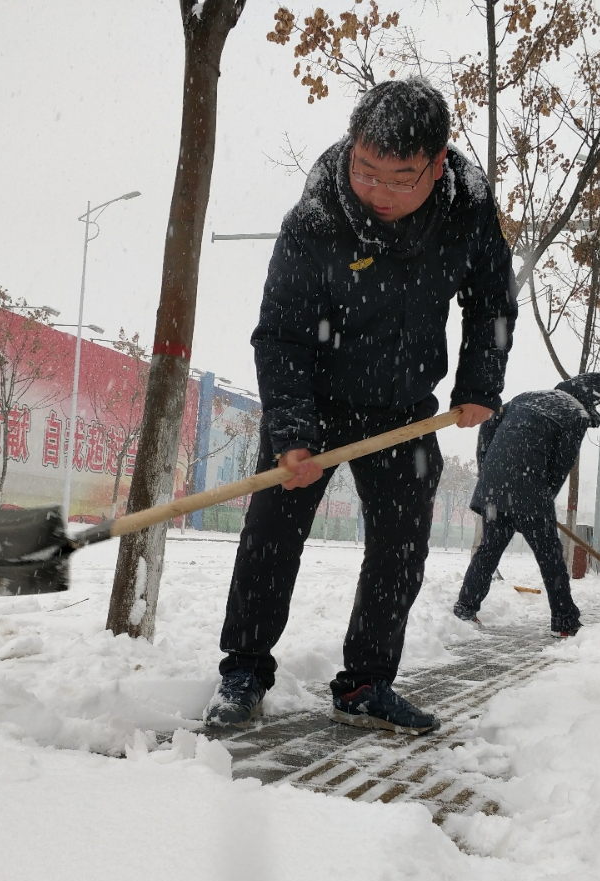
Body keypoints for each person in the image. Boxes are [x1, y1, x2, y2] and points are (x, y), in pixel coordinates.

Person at [203, 77, 518, 735]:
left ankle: (367, 683)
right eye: (366, 170)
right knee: (271, 534)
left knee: (401, 546)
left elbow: (491, 298)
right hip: (315, 397)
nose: (378, 192)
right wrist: (293, 433)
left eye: (400, 179)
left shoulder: (468, 208)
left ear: (437, 164)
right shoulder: (318, 215)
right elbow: (281, 333)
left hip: (406, 405)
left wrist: (479, 384)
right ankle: (243, 671)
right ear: (352, 149)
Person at [453, 374, 600, 636]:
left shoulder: (527, 397)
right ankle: (564, 622)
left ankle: (465, 609)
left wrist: (488, 471)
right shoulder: (575, 413)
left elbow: (488, 426)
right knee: (551, 558)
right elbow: (561, 464)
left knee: (488, 551)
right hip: (530, 489)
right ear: (591, 396)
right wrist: (543, 498)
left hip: (494, 487)